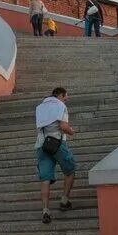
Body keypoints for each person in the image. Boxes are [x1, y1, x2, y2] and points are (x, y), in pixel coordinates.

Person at [35, 87, 76, 224]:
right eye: (66, 96)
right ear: (60, 95)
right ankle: (64, 200)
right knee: (70, 170)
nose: (67, 99)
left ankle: (45, 210)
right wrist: (71, 132)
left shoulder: (40, 107)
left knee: (45, 178)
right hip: (57, 143)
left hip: (42, 144)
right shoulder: (60, 105)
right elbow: (63, 127)